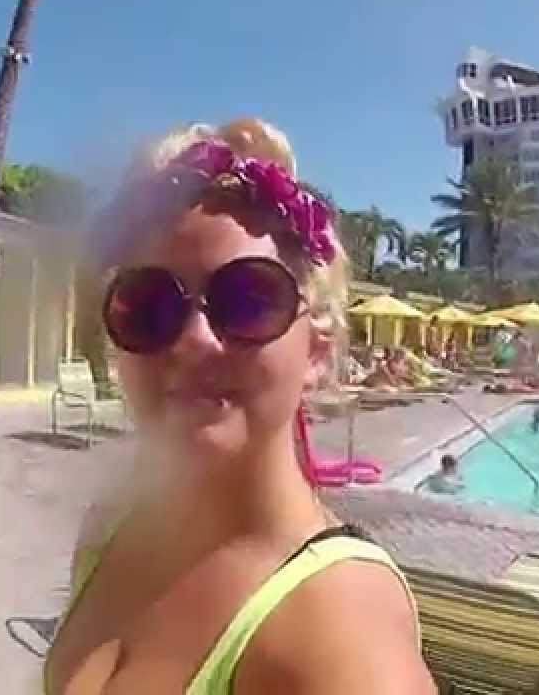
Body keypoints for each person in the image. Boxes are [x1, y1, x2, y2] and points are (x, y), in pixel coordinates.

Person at [44, 119, 432, 695]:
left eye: (248, 299)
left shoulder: (340, 628)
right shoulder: (110, 529)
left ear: (316, 351)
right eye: (148, 305)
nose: (195, 340)